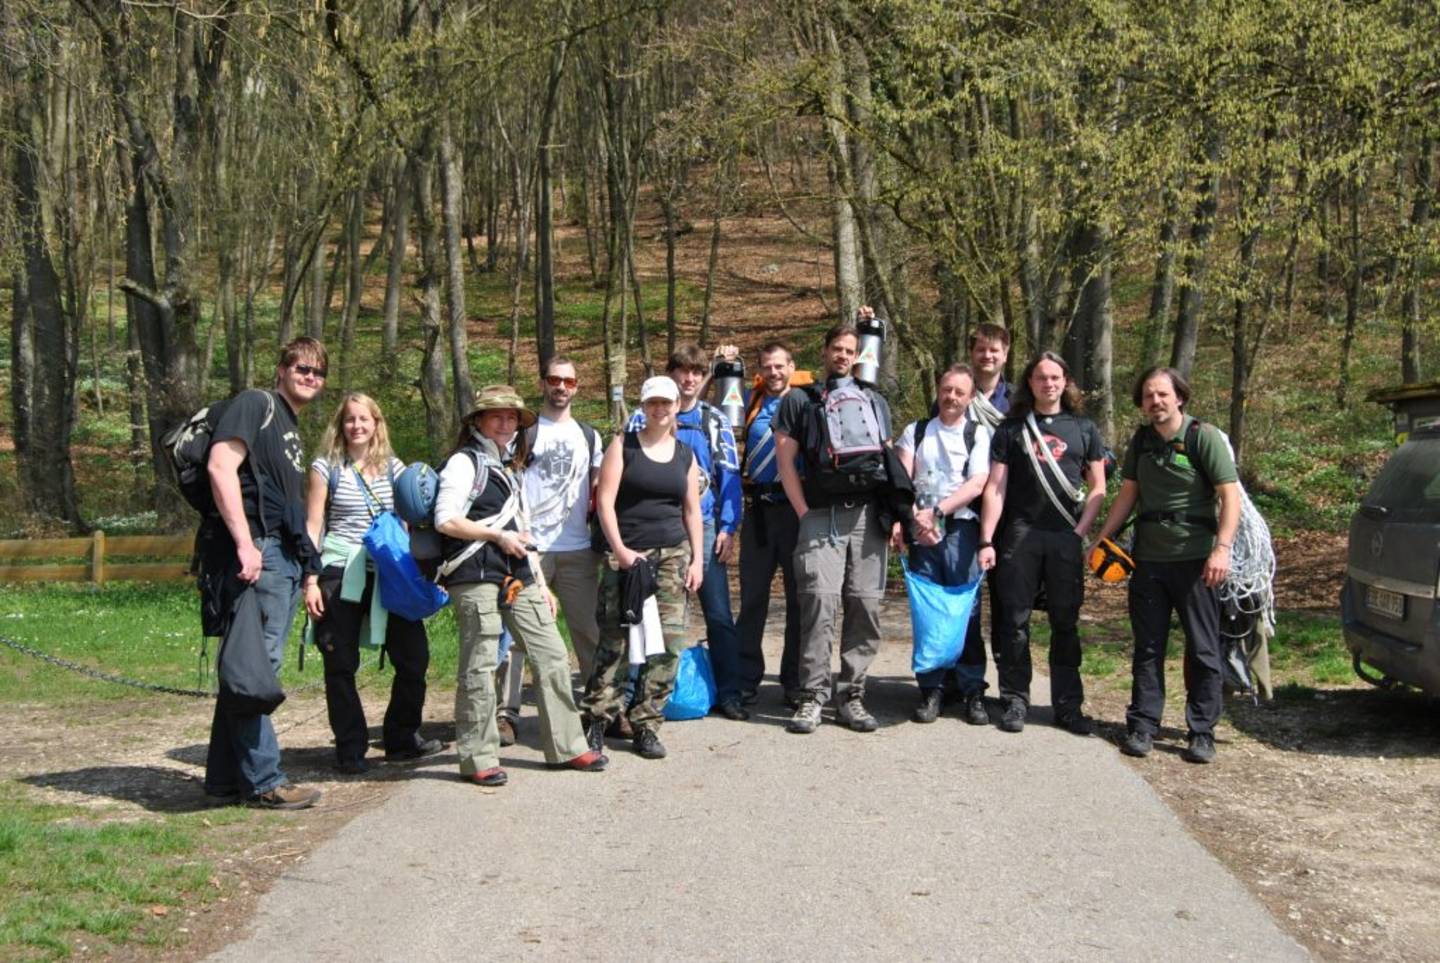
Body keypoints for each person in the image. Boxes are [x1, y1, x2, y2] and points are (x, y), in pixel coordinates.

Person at [435, 385, 607, 787]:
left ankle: (567, 746)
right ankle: (478, 757)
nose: (505, 423)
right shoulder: (463, 463)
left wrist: (541, 583)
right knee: (480, 664)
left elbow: (523, 532)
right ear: (478, 421)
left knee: (551, 653)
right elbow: (446, 520)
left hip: (518, 573)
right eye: (496, 416)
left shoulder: (509, 468)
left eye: (512, 417)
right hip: (474, 573)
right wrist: (496, 536)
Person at [202, 337, 327, 810]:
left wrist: (306, 568)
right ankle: (265, 782)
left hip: (284, 556)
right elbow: (220, 467)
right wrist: (244, 543)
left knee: (246, 666)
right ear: (281, 369)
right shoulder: (256, 403)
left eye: (318, 372)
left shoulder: (288, 423)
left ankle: (223, 780)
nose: (310, 377)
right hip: (261, 553)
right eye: (302, 368)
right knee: (256, 671)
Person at [1093, 367, 1240, 764]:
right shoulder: (1141, 441)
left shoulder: (1202, 437)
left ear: (1179, 397)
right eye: (1148, 396)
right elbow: (1128, 495)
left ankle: (1202, 732)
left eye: (1162, 394)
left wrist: (1222, 549)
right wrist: (1104, 538)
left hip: (1197, 563)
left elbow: (1230, 496)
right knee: (1148, 648)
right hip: (1148, 562)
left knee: (1204, 649)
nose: (1155, 401)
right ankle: (1143, 726)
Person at [302, 393, 444, 775]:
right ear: (340, 424)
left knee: (414, 657)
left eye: (364, 419)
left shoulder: (395, 468)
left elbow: (412, 520)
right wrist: (310, 580)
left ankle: (401, 739)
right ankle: (350, 748)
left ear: (376, 423)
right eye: (350, 419)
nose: (357, 426)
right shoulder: (325, 467)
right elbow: (313, 527)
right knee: (340, 662)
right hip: (339, 570)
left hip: (389, 572)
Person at [774, 313, 899, 734]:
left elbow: (887, 461)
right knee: (819, 603)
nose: (843, 356)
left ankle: (852, 696)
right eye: (837, 349)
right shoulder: (799, 399)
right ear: (825, 352)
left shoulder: (875, 400)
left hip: (867, 516)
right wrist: (802, 511)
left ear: (858, 355)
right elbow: (785, 462)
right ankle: (812, 696)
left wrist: (895, 514)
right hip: (819, 514)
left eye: (850, 351)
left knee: (865, 603)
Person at [977, 352, 1106, 736]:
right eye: (1040, 377)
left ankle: (1067, 706)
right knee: (1014, 622)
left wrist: (1080, 533)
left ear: (1065, 382)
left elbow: (1098, 487)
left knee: (1065, 623)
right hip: (1020, 537)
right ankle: (1015, 700)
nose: (1048, 384)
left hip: (1065, 538)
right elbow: (995, 488)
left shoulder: (1085, 429)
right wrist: (987, 539)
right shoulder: (1011, 430)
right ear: (1029, 383)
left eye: (1054, 377)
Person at [583, 376, 705, 760]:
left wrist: (697, 560)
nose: (660, 409)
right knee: (616, 642)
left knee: (669, 643)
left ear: (676, 407)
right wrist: (620, 550)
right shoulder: (623, 446)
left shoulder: (685, 454)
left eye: (666, 403)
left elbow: (691, 510)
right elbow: (605, 502)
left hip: (672, 556)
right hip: (627, 557)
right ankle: (598, 719)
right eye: (653, 403)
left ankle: (647, 723)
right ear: (643, 406)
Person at [625, 345, 746, 721]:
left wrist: (729, 526)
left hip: (704, 526)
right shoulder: (641, 418)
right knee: (647, 611)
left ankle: (730, 691)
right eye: (682, 371)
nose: (689, 379)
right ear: (671, 374)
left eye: (697, 372)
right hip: (653, 526)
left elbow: (729, 475)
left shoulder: (714, 420)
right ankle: (637, 693)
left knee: (718, 611)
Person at [493, 357, 605, 746]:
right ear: (543, 383)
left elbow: (599, 490)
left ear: (577, 387)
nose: (561, 386)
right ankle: (506, 713)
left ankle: (599, 709)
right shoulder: (524, 433)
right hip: (529, 549)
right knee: (517, 636)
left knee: (587, 632)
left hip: (577, 548)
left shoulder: (590, 436)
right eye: (555, 379)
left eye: (568, 381)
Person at [893, 364, 991, 723]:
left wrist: (937, 513)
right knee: (929, 612)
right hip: (922, 532)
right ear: (938, 389)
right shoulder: (916, 431)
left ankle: (972, 690)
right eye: (947, 389)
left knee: (965, 612)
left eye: (960, 392)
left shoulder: (977, 434)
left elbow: (977, 483)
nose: (952, 397)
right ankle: (931, 689)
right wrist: (912, 519)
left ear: (970, 397)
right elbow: (902, 480)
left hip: (961, 531)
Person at [733, 341, 811, 708]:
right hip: (758, 509)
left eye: (780, 366)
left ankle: (793, 681)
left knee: (799, 599)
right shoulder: (751, 401)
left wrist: (867, 330)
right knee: (752, 598)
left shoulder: (806, 401)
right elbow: (711, 406)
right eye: (767, 366)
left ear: (792, 367)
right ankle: (745, 678)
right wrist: (723, 367)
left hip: (796, 510)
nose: (774, 372)